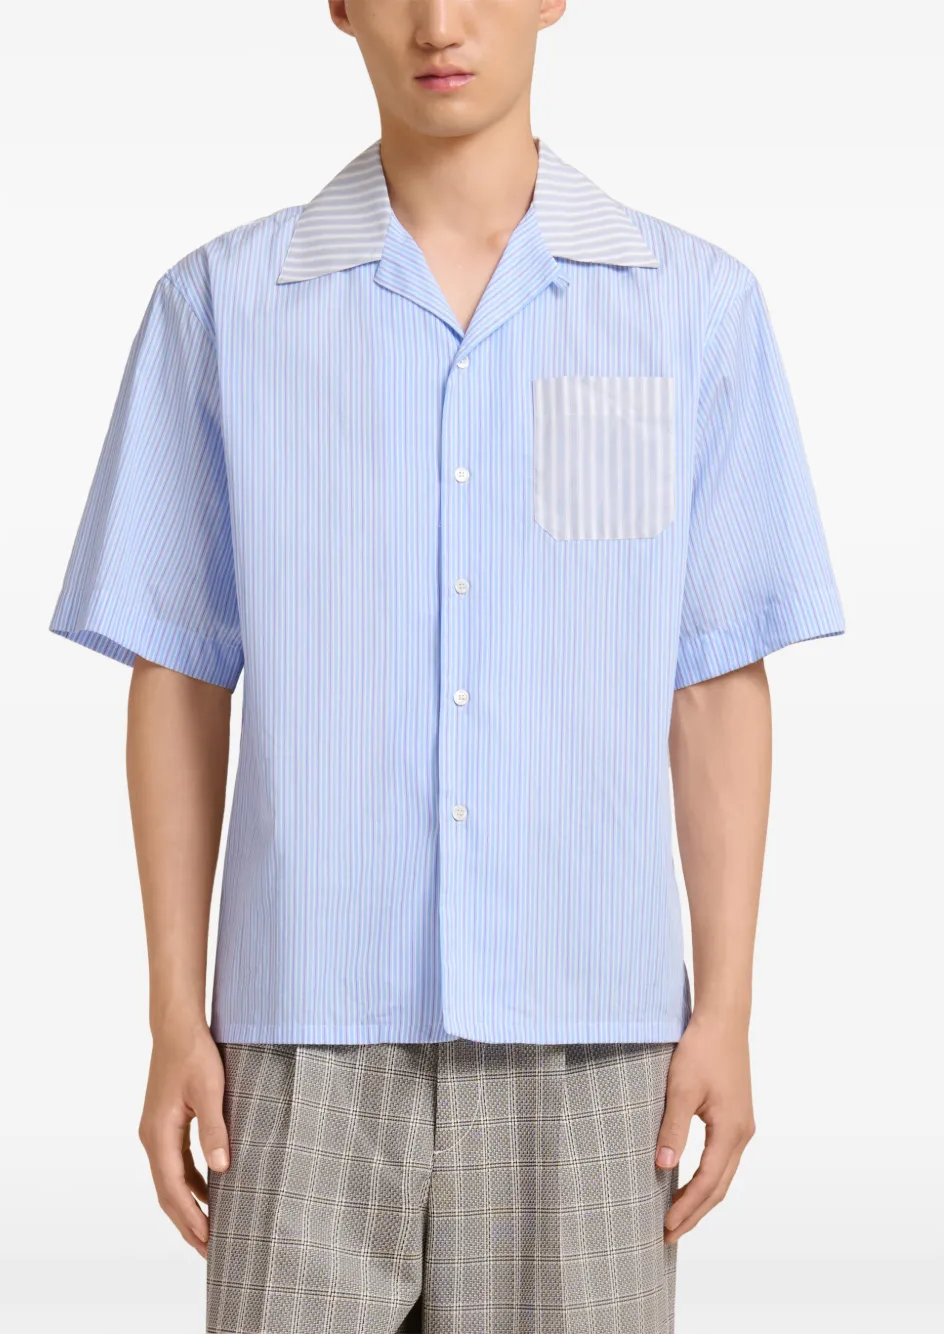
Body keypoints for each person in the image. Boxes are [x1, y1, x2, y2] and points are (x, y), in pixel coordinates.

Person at [48, 2, 845, 1330]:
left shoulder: (691, 308)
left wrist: (729, 1009)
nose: (440, 22)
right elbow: (179, 675)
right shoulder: (222, 309)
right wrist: (173, 1014)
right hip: (296, 1043)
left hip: (597, 1045)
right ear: (338, 6)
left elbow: (712, 683)